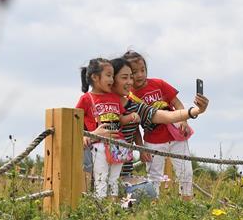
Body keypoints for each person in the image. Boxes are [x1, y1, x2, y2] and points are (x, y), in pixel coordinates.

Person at [109, 56, 208, 200]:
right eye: (131, 74)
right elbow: (133, 127)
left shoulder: (154, 88)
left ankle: (186, 202)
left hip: (174, 135)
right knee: (153, 176)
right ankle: (153, 203)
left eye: (142, 70)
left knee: (185, 172)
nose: (138, 76)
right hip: (152, 140)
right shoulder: (125, 98)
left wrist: (189, 116)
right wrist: (141, 147)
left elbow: (171, 109)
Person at [74, 58, 139, 199]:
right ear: (95, 77)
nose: (111, 79)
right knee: (100, 178)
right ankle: (101, 210)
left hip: (118, 144)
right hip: (99, 145)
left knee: (113, 179)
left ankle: (112, 208)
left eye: (112, 75)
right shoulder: (86, 98)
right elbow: (74, 121)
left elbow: (120, 119)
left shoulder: (114, 97)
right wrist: (88, 135)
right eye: (108, 75)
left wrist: (131, 117)